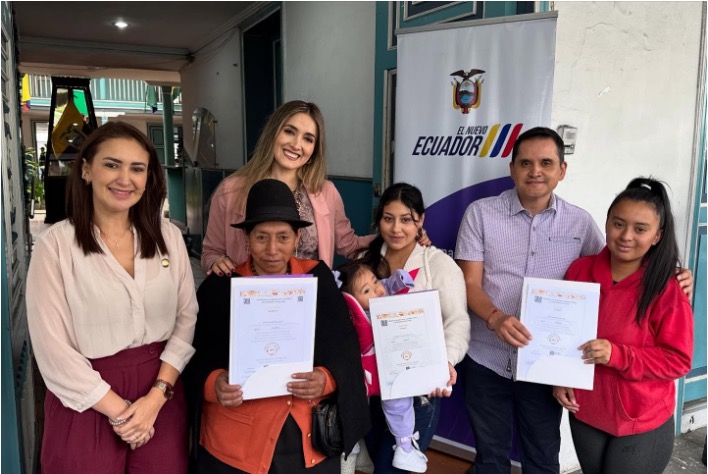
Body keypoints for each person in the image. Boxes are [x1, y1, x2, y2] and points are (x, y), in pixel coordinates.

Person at [454, 127, 693, 474]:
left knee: (542, 459)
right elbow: (469, 283)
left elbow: (618, 264)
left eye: (546, 163)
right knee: (489, 457)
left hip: (547, 366)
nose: (535, 171)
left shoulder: (580, 223)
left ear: (561, 170)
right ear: (512, 168)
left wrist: (671, 272)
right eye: (526, 163)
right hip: (487, 357)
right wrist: (496, 318)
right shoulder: (480, 214)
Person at [26, 121, 198, 472]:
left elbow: (186, 316)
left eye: (137, 168)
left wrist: (156, 397)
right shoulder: (56, 245)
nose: (125, 179)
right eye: (112, 164)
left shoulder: (168, 236)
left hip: (160, 391)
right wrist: (122, 413)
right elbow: (52, 347)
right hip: (85, 397)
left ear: (148, 178)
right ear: (86, 170)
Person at [183, 179, 370, 474]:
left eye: (283, 237)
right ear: (247, 237)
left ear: (297, 237)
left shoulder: (317, 280)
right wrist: (214, 384)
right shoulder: (222, 287)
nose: (272, 249)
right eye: (261, 237)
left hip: (308, 437)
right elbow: (194, 357)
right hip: (237, 441)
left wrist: (326, 379)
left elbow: (344, 350)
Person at [553, 177, 693, 474]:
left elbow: (678, 360)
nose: (626, 236)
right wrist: (560, 378)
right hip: (586, 412)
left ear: (657, 236)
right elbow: (562, 334)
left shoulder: (668, 288)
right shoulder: (580, 271)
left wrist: (617, 355)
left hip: (641, 420)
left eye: (640, 229)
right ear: (606, 223)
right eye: (618, 224)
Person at [359, 182, 471, 474]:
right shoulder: (364, 264)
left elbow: (458, 321)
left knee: (392, 469)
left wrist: (446, 361)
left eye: (406, 219)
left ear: (420, 220)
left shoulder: (439, 266)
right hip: (371, 390)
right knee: (376, 463)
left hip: (418, 393)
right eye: (388, 218)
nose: (396, 228)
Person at [201, 100, 375, 275]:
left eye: (308, 139)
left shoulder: (326, 192)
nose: (296, 145)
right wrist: (216, 262)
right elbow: (211, 252)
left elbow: (350, 246)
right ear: (273, 133)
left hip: (311, 290)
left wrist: (387, 236)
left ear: (314, 150)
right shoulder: (231, 191)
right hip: (253, 290)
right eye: (289, 131)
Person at [335, 261, 427, 473]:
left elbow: (389, 283)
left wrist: (399, 280)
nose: (377, 289)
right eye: (366, 290)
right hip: (369, 375)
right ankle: (351, 446)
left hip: (388, 372)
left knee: (399, 405)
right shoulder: (355, 317)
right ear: (351, 301)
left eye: (375, 281)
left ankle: (404, 447)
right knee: (355, 405)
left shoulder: (383, 298)